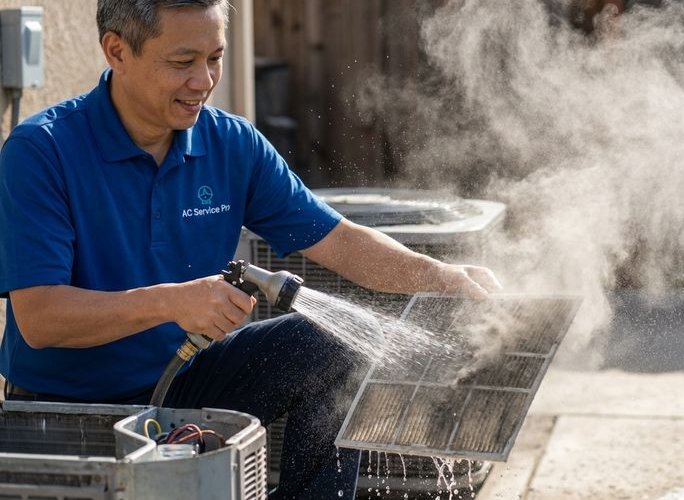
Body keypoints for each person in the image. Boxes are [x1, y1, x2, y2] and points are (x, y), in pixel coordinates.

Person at [0, 1, 501, 499]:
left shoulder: (232, 144)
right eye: (182, 62)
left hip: (186, 383)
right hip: (66, 407)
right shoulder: (41, 151)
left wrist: (442, 275)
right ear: (117, 51)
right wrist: (171, 302)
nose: (204, 80)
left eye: (214, 58)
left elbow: (341, 240)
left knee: (336, 342)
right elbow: (41, 319)